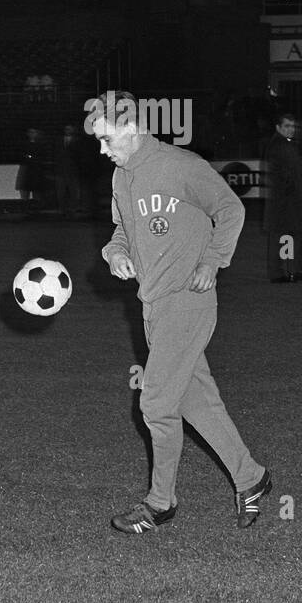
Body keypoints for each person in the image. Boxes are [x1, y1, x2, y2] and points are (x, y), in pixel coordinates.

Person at [93, 90, 271, 534]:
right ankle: (252, 479)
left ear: (132, 130)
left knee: (155, 402)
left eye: (107, 140)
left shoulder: (182, 166)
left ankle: (160, 502)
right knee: (195, 400)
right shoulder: (121, 178)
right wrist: (114, 254)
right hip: (153, 303)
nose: (102, 150)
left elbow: (231, 209)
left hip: (188, 300)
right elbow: (121, 228)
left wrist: (213, 260)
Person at [262, 111, 302, 282]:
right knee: (284, 237)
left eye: (293, 126)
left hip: (290, 199)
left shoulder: (287, 144)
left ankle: (292, 270)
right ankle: (281, 273)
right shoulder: (279, 146)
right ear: (278, 127)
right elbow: (284, 177)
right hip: (286, 201)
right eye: (287, 126)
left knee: (293, 236)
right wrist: (292, 196)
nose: (291, 129)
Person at [15, 127, 49, 215]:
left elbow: (43, 156)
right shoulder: (24, 144)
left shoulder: (41, 145)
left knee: (36, 190)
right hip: (26, 169)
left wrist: (32, 158)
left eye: (34, 132)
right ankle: (25, 210)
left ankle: (36, 211)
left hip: (36, 170)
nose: (32, 134)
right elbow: (21, 155)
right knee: (25, 190)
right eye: (30, 132)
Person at [53, 124, 82, 217]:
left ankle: (73, 208)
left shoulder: (77, 141)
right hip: (61, 169)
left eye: (69, 129)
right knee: (60, 191)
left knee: (73, 190)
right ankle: (62, 209)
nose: (67, 131)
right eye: (66, 129)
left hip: (73, 170)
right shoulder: (59, 141)